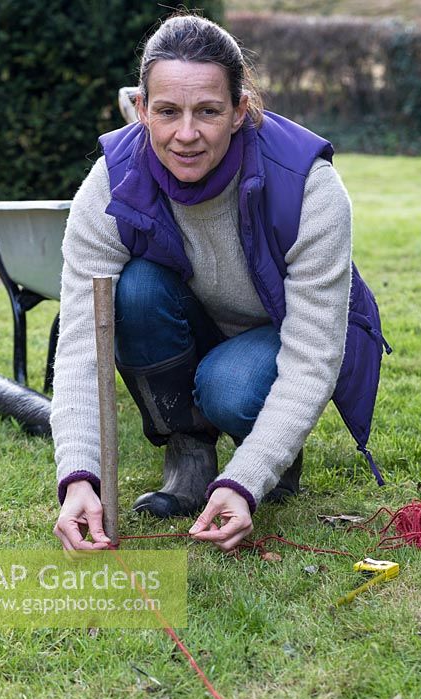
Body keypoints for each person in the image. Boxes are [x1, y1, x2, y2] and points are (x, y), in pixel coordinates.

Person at [51, 13, 386, 554]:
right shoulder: (111, 184)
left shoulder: (309, 187)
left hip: (275, 338)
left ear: (240, 110)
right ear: (141, 110)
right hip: (194, 319)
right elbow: (81, 347)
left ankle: (269, 450)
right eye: (166, 111)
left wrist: (245, 480)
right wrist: (79, 477)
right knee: (129, 292)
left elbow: (313, 355)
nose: (186, 134)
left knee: (228, 385)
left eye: (207, 111)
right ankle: (188, 451)